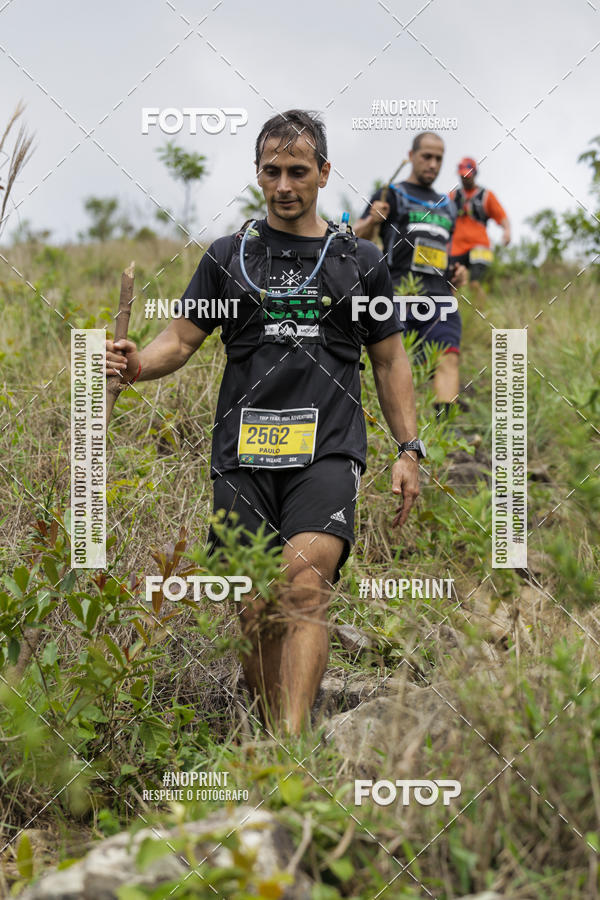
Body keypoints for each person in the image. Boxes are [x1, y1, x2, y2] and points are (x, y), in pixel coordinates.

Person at [105, 109, 423, 735]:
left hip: (327, 452)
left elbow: (389, 362)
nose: (284, 184)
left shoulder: (359, 261)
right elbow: (180, 338)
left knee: (303, 589)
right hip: (242, 457)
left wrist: (408, 448)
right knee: (254, 608)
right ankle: (268, 732)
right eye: (271, 171)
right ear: (257, 173)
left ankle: (292, 749)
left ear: (324, 173)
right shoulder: (228, 257)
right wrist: (140, 363)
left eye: (298, 171)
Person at [354, 132, 467, 420]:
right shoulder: (390, 193)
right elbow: (355, 238)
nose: (432, 163)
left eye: (438, 158)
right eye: (426, 156)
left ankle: (443, 431)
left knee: (448, 357)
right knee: (394, 365)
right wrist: (372, 220)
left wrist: (457, 272)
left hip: (440, 297)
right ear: (411, 156)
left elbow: (446, 250)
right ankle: (398, 434)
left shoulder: (448, 204)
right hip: (397, 296)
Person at [449, 156, 511, 289]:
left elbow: (502, 216)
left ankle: (480, 310)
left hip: (480, 246)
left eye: (468, 175)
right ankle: (452, 309)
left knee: (475, 283)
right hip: (456, 247)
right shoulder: (452, 196)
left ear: (475, 174)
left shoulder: (487, 195)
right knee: (451, 284)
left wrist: (507, 231)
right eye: (462, 176)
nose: (465, 178)